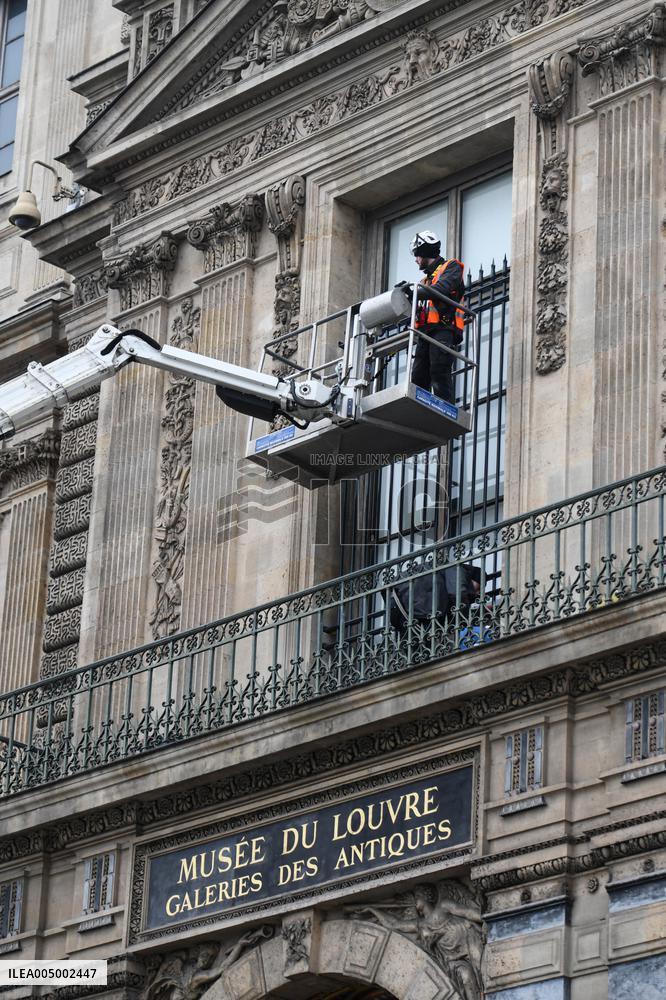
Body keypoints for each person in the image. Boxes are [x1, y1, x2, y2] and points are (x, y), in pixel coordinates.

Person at [408, 231, 466, 403]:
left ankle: (446, 410)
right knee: (418, 376)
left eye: (417, 255)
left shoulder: (451, 267)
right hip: (426, 333)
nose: (416, 260)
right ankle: (420, 411)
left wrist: (414, 291)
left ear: (424, 251)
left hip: (443, 329)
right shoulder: (425, 281)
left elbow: (442, 289)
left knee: (439, 371)